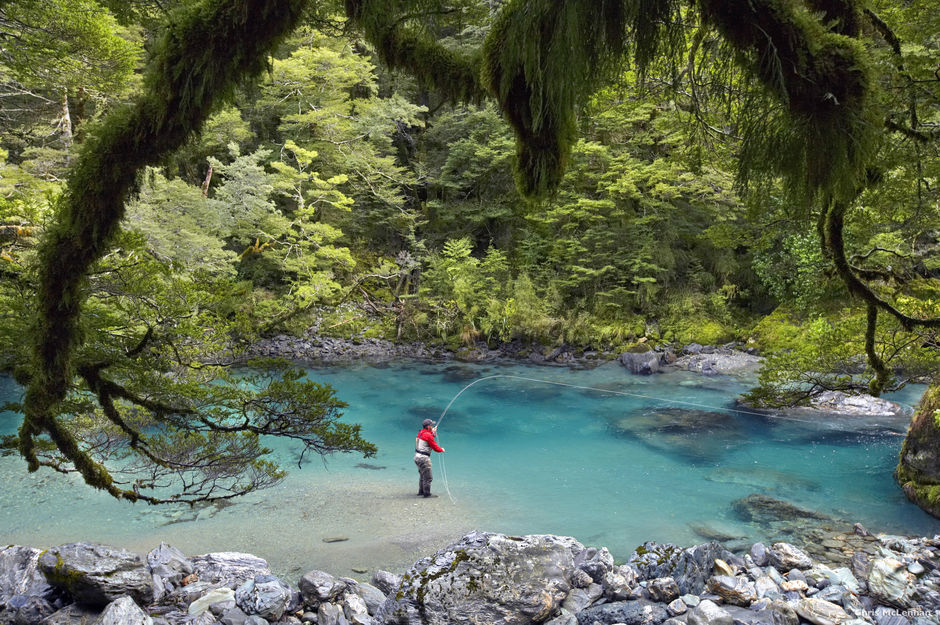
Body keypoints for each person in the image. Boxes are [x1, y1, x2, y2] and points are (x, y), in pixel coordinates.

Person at [414, 418, 444, 498]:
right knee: (428, 477)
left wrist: (432, 432)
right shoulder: (428, 435)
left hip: (417, 457)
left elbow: (427, 437)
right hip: (424, 459)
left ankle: (421, 491)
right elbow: (435, 447)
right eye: (431, 425)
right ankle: (427, 494)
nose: (432, 426)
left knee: (422, 475)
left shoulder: (420, 432)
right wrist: (441, 450)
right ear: (428, 426)